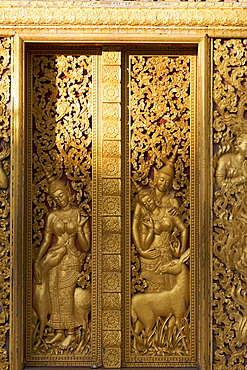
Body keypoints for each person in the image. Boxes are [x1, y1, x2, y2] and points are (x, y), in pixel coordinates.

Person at [33, 175, 90, 349]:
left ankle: (71, 333)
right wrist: (37, 261)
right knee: (53, 293)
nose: (60, 198)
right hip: (54, 256)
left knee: (66, 294)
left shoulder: (78, 214)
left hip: (72, 257)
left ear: (67, 191)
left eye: (61, 194)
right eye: (56, 197)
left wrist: (80, 228)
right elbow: (45, 241)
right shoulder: (52, 216)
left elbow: (86, 246)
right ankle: (58, 332)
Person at [132, 150, 188, 292]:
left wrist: (180, 251)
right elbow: (135, 228)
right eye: (162, 179)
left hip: (167, 253)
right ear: (156, 177)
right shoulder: (143, 201)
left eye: (167, 181)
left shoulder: (172, 203)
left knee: (170, 292)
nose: (164, 183)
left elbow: (182, 227)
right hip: (150, 252)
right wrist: (141, 250)